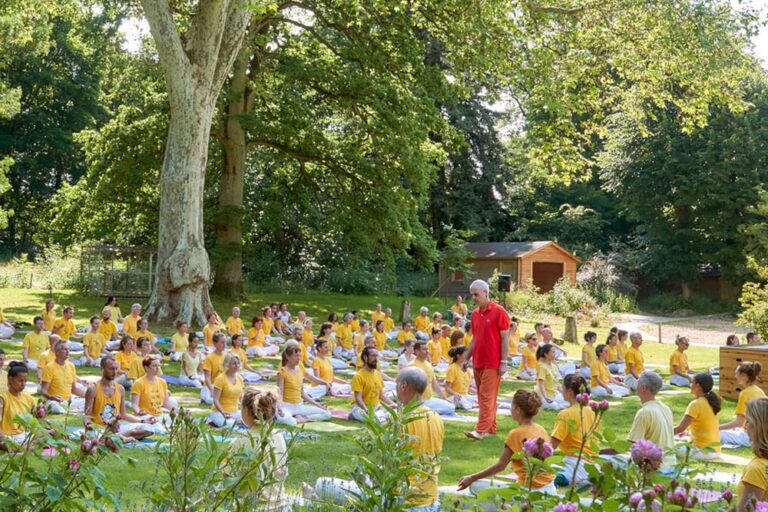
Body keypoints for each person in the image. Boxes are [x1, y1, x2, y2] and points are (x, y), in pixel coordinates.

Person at [308, 367, 445, 511]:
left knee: (323, 484)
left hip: (397, 501)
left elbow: (386, 468)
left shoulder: (399, 421)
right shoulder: (437, 417)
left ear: (403, 386)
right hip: (431, 500)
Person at [457, 389, 556, 496]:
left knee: (475, 485)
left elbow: (500, 466)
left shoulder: (516, 433)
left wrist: (472, 477)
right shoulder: (540, 429)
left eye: (512, 406)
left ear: (517, 409)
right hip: (550, 488)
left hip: (529, 492)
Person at [464, 279, 510, 440]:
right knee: (485, 397)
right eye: (472, 295)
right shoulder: (475, 314)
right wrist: (466, 358)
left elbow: (505, 339)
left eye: (476, 294)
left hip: (493, 363)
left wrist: (504, 362)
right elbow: (475, 338)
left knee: (486, 396)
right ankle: (490, 428)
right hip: (478, 361)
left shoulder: (499, 311)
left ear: (485, 292)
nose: (474, 298)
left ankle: (480, 430)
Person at [233, 388, 290, 508]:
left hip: (254, 507)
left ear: (247, 411)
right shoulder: (279, 436)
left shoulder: (240, 441)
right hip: (283, 506)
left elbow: (228, 482)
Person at [83, 357, 154, 442]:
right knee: (93, 436)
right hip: (99, 428)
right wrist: (89, 426)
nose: (115, 372)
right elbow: (87, 417)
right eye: (111, 369)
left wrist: (142, 421)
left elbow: (123, 415)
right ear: (102, 369)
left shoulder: (120, 389)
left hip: (116, 429)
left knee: (149, 428)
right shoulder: (93, 389)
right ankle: (119, 438)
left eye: (116, 369)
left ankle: (117, 438)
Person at [551, 374, 600, 484]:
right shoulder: (593, 411)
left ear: (569, 391)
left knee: (546, 471)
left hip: (576, 464)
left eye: (563, 388)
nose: (561, 390)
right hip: (594, 465)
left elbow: (552, 445)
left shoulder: (565, 414)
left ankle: (564, 478)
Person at [626, 371, 676, 468]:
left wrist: (599, 452)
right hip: (671, 464)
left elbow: (631, 446)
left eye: (638, 382)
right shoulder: (665, 408)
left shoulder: (644, 412)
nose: (636, 385)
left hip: (656, 467)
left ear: (644, 388)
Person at [276, 345, 331, 426]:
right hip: (286, 406)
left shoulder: (300, 370)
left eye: (299, 356)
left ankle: (302, 418)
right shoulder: (282, 372)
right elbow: (279, 393)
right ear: (287, 357)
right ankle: (299, 419)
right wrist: (279, 407)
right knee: (285, 419)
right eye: (296, 356)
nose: (298, 358)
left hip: (299, 406)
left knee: (327, 413)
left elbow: (303, 394)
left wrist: (318, 405)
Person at [673, 372, 721, 459]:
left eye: (692, 382)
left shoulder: (696, 404)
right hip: (715, 451)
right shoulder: (712, 402)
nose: (690, 385)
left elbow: (680, 428)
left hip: (702, 451)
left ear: (698, 386)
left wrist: (663, 433)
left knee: (667, 446)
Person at [720, 362, 765, 447]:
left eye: (737, 373)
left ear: (744, 376)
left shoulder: (745, 393)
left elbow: (739, 422)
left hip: (750, 438)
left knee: (714, 433)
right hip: (762, 436)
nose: (735, 376)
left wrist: (717, 427)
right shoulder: (758, 390)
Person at [737, 398, 768, 511]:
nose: (745, 426)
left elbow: (745, 510)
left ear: (760, 427)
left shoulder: (757, 469)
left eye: (748, 421)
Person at [350, 347, 396, 423]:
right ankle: (354, 415)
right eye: (373, 356)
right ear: (365, 357)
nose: (376, 359)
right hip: (361, 408)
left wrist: (393, 404)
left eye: (376, 356)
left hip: (376, 407)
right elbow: (358, 398)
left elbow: (381, 395)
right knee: (377, 420)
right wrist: (366, 409)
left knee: (397, 414)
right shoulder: (358, 376)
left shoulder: (377, 374)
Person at [131, 356, 177, 432]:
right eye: (154, 366)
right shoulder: (138, 383)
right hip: (146, 417)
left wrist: (178, 410)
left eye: (159, 366)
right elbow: (134, 404)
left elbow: (165, 403)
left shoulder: (162, 382)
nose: (158, 368)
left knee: (178, 421)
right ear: (146, 368)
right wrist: (139, 412)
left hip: (159, 415)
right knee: (151, 427)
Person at [408, 342, 455, 415]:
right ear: (417, 351)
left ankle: (429, 411)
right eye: (424, 349)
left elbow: (434, 384)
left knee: (451, 407)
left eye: (427, 349)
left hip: (428, 400)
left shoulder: (428, 364)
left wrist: (444, 398)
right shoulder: (412, 365)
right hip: (417, 401)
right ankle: (425, 411)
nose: (427, 351)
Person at [40, 341, 86, 414]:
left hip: (68, 401)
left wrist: (88, 396)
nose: (68, 352)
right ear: (57, 352)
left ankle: (70, 411)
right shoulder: (49, 367)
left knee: (89, 401)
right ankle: (71, 412)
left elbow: (74, 390)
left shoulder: (71, 366)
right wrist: (51, 397)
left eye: (68, 349)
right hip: (55, 401)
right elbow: (43, 391)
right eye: (65, 349)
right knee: (53, 406)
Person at [0, 362, 36, 444]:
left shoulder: (29, 398)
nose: (23, 384)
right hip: (8, 436)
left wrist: (41, 413)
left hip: (24, 435)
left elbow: (36, 420)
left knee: (45, 434)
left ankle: (21, 448)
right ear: (10, 379)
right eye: (20, 380)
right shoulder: (2, 398)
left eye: (25, 381)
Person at [208, 353, 245, 428]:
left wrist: (246, 411)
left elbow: (241, 398)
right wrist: (223, 413)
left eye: (238, 363)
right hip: (219, 413)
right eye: (234, 364)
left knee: (253, 419)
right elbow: (215, 400)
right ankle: (236, 422)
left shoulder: (240, 378)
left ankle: (238, 421)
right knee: (230, 425)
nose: (237, 366)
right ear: (227, 364)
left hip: (235, 412)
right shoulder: (220, 379)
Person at [536, 344, 569, 411]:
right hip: (546, 396)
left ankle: (562, 406)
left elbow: (556, 384)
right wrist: (546, 398)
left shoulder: (554, 366)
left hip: (555, 395)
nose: (555, 354)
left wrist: (565, 393)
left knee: (571, 401)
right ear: (546, 354)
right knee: (555, 406)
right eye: (553, 352)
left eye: (555, 352)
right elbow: (541, 384)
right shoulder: (542, 367)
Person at [201, 334, 227, 404]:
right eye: (222, 342)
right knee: (213, 400)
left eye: (225, 342)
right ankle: (204, 397)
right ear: (215, 343)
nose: (224, 344)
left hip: (223, 386)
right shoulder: (209, 358)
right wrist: (211, 390)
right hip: (211, 386)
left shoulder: (226, 357)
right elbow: (207, 378)